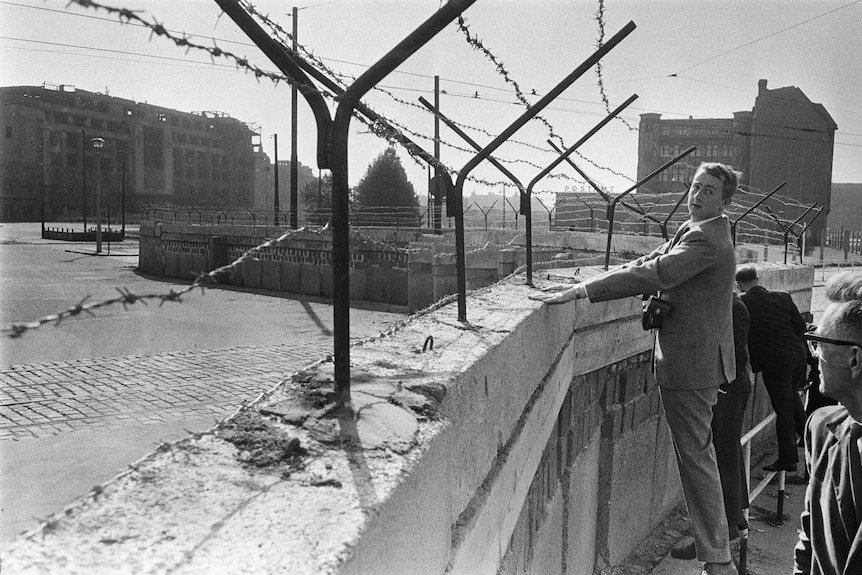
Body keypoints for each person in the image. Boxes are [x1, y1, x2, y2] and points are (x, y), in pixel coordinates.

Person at [531, 162, 741, 575]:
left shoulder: (707, 241)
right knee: (696, 457)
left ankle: (720, 561)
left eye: (709, 191)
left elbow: (655, 272)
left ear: (725, 201)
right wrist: (594, 281)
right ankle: (715, 554)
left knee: (697, 459)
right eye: (695, 187)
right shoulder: (700, 230)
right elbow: (654, 257)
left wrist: (583, 291)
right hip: (696, 363)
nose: (697, 196)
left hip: (691, 367)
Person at [672, 292, 752, 560]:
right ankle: (730, 522)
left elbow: (737, 355)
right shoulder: (717, 300)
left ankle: (723, 531)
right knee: (723, 454)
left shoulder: (732, 305)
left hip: (726, 389)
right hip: (719, 388)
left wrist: (716, 387)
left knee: (722, 455)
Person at [794, 271, 862, 575]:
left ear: (854, 359)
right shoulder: (821, 429)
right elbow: (808, 542)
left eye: (818, 341)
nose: (815, 354)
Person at [735, 264, 807, 472]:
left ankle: (788, 459)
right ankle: (814, 441)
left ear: (739, 284)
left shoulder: (743, 302)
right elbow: (801, 327)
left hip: (776, 362)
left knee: (783, 408)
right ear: (757, 279)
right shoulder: (783, 297)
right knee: (791, 400)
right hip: (797, 354)